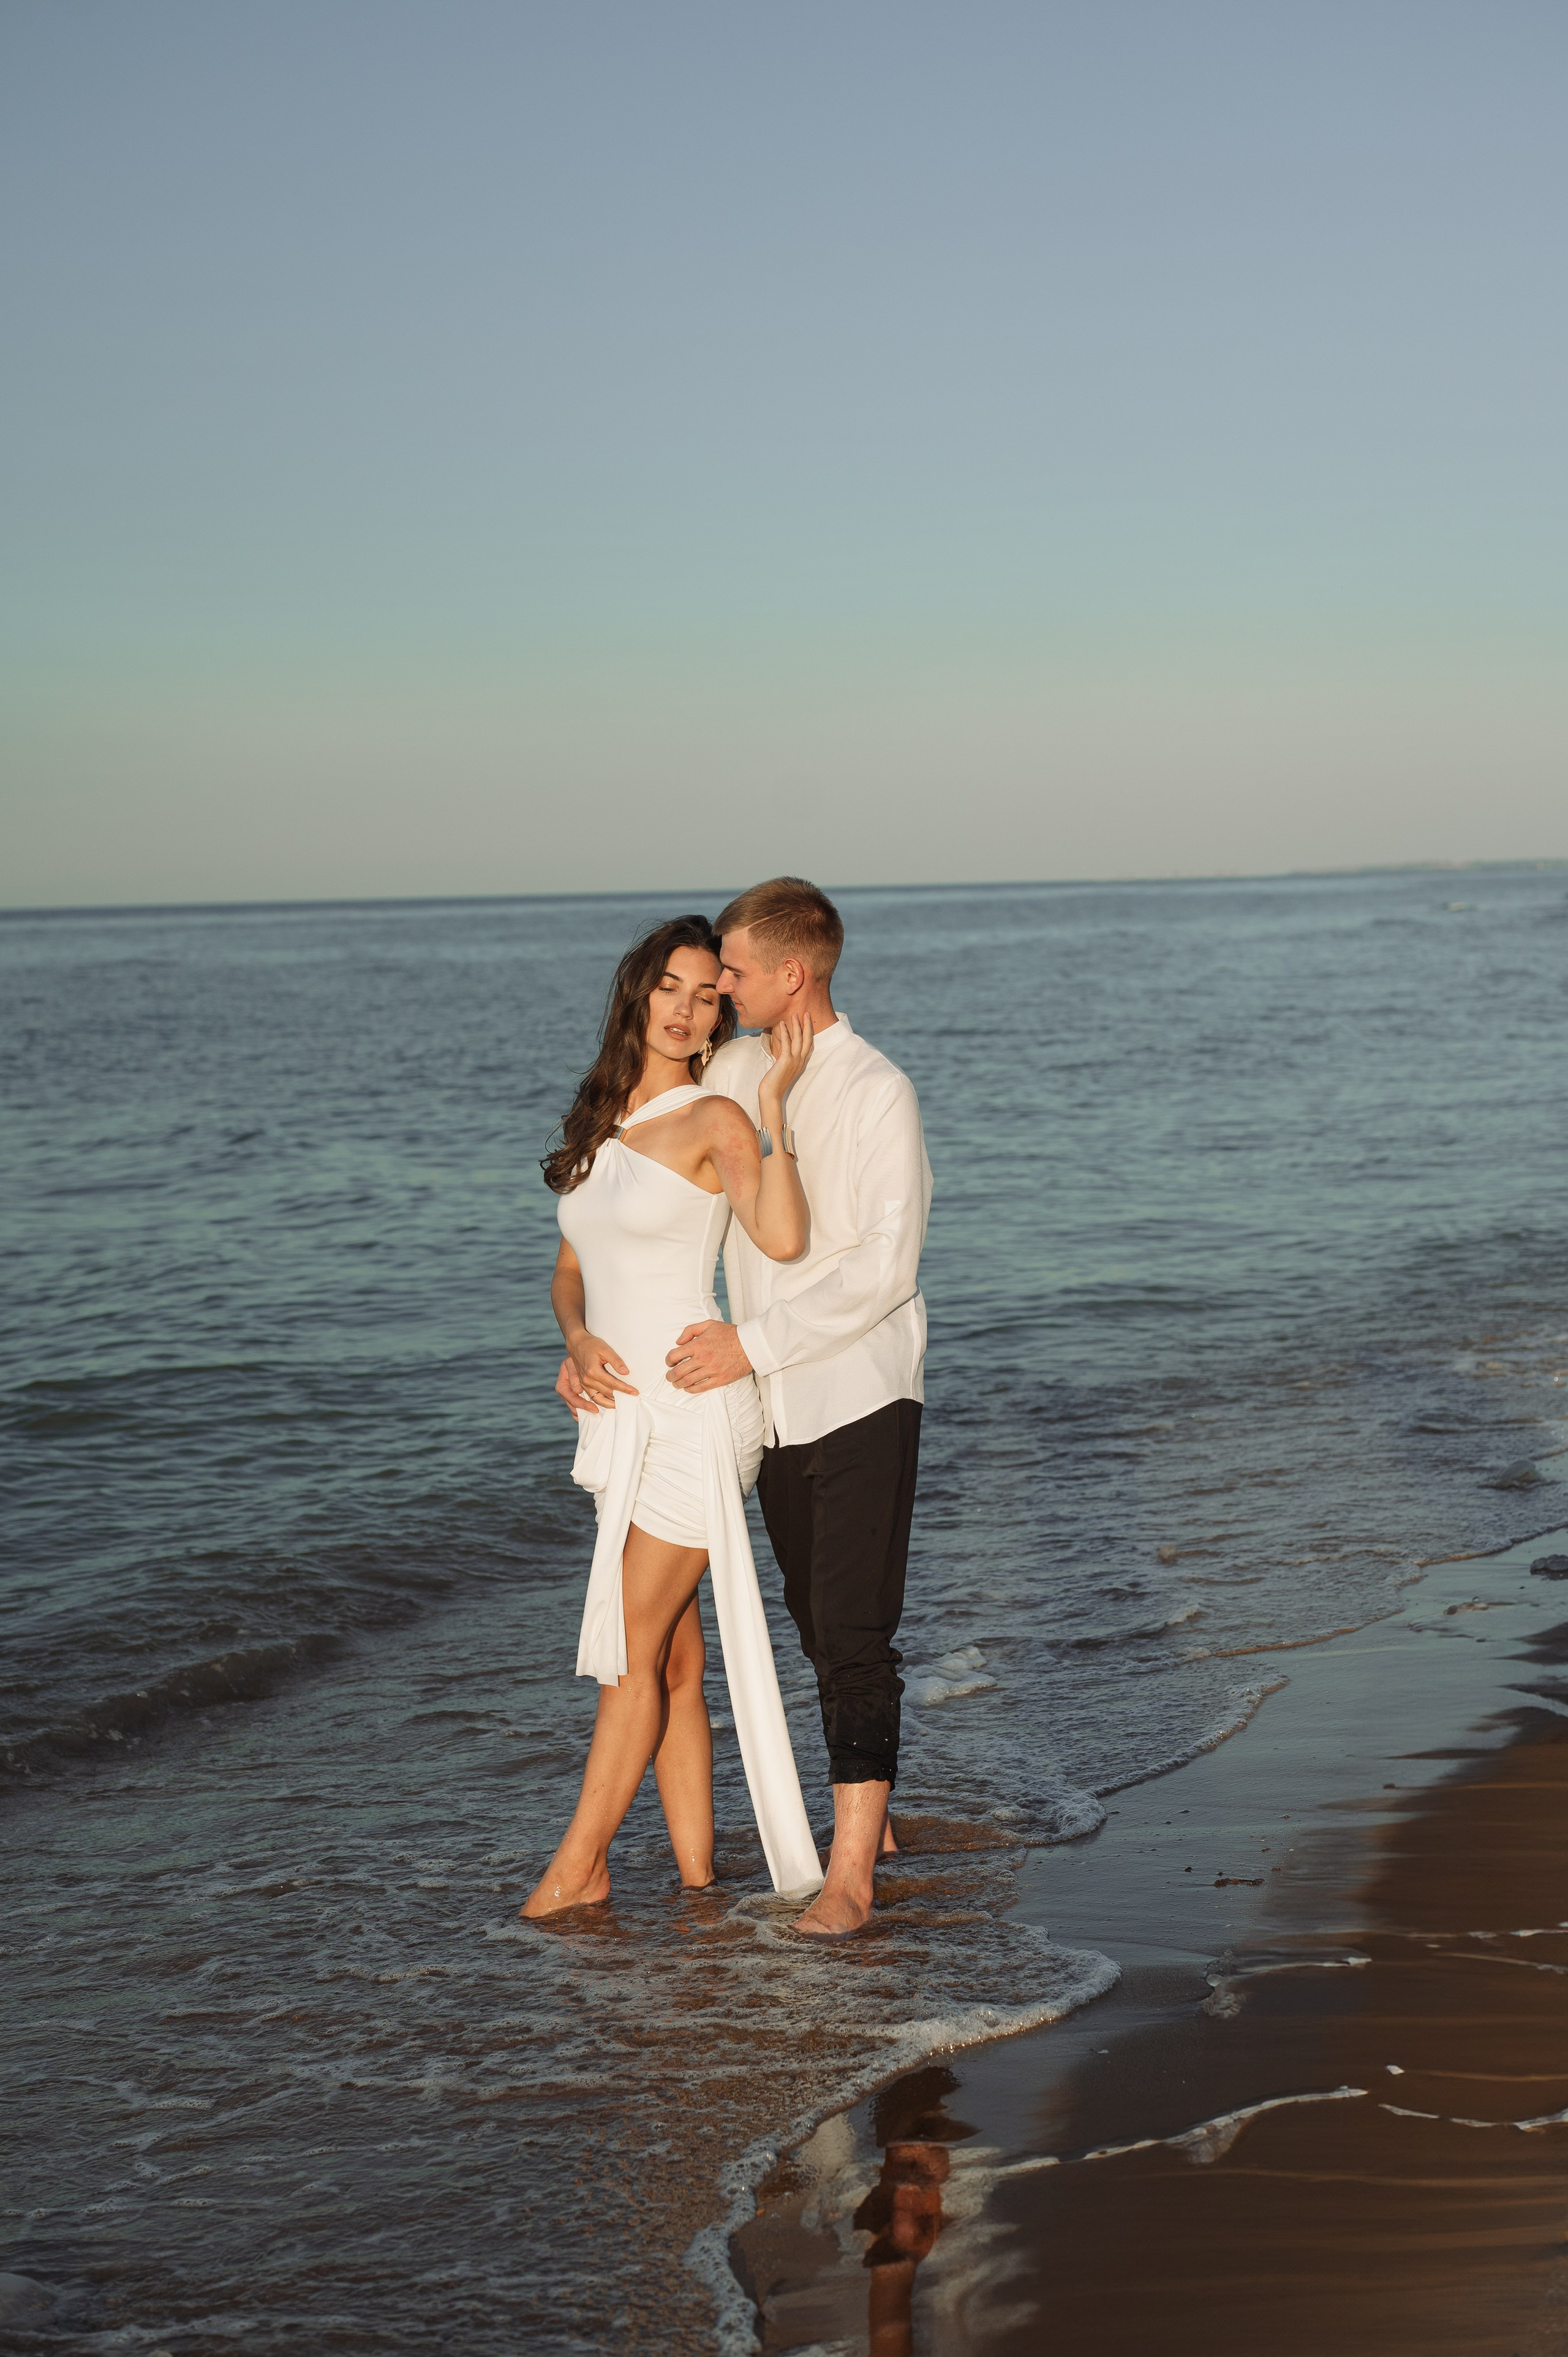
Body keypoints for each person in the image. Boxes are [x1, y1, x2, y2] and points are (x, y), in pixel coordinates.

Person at [524, 914, 824, 1918]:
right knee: (673, 1660)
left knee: (627, 1651)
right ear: (638, 992)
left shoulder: (715, 1122)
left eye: (708, 994)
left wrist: (770, 1104)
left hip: (696, 1415)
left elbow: (781, 1237)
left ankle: (579, 1868)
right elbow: (573, 1270)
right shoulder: (600, 1122)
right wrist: (575, 1343)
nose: (687, 1008)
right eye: (671, 987)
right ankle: (698, 1884)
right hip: (622, 1419)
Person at [668, 877, 932, 1939]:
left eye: (731, 971)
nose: (719, 990)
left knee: (857, 1632)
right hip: (766, 1407)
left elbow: (886, 1268)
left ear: (793, 973)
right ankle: (876, 1815)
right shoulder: (732, 1073)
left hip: (862, 1389)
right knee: (820, 1629)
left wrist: (753, 1343)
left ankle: (852, 1880)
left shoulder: (878, 1090)